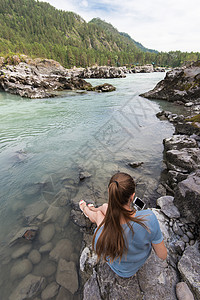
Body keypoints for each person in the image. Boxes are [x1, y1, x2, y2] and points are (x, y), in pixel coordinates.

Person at [79, 172, 167, 278]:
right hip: (138, 263)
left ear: (110, 193)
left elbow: (106, 256)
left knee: (99, 215)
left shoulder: (101, 234)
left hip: (121, 271)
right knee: (105, 207)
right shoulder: (149, 218)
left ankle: (86, 209)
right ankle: (91, 209)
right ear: (132, 196)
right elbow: (162, 255)